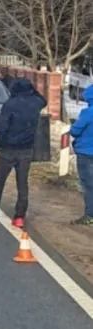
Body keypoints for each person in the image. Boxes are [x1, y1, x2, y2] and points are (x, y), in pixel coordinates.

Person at [0, 79, 47, 228]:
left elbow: (2, 125)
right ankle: (19, 217)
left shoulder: (10, 104)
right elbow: (44, 100)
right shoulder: (35, 103)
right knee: (22, 183)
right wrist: (33, 90)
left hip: (9, 149)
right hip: (27, 149)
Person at [68, 85, 93, 226]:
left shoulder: (88, 113)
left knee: (88, 184)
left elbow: (75, 131)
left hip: (86, 153)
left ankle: (90, 215)